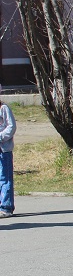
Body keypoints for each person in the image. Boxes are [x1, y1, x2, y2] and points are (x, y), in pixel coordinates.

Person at [0, 85, 15, 218]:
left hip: (3, 150)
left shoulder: (4, 109)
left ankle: (6, 206)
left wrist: (1, 137)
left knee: (5, 178)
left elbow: (11, 126)